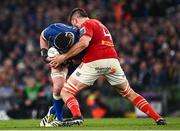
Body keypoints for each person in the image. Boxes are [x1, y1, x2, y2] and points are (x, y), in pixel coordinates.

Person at [49, 8, 166, 126]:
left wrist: (63, 57)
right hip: (113, 61)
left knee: (66, 91)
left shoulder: (87, 24)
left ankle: (77, 117)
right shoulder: (100, 24)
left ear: (74, 20)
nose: (76, 29)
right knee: (129, 93)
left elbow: (84, 43)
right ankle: (157, 118)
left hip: (95, 61)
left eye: (73, 25)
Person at [39, 23, 81, 127]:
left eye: (62, 50)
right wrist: (44, 55)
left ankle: (53, 110)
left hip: (74, 62)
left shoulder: (81, 38)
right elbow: (43, 36)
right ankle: (59, 119)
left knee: (69, 92)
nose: (59, 51)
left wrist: (66, 59)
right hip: (58, 62)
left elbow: (83, 58)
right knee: (58, 88)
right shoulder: (54, 29)